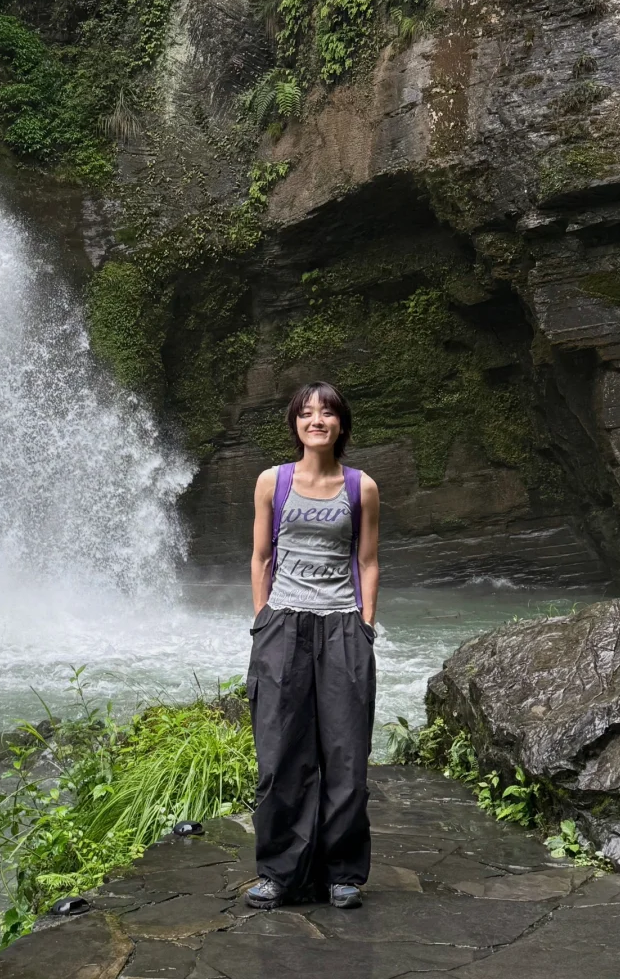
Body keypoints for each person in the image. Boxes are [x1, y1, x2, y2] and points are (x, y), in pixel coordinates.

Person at [244, 380, 380, 911]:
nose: (316, 420)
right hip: (283, 625)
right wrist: (263, 619)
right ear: (295, 425)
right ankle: (279, 873)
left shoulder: (360, 487)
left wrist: (365, 626)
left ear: (341, 424)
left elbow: (368, 562)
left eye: (326, 413)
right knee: (280, 753)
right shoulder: (272, 482)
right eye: (306, 413)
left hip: (342, 625)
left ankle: (341, 873)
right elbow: (260, 556)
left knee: (346, 755)